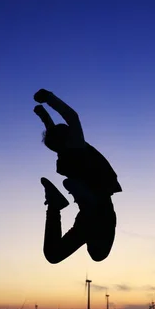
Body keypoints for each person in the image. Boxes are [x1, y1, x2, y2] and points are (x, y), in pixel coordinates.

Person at [33, 88, 122, 264]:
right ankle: (60, 202)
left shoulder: (65, 154)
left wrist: (43, 113)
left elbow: (52, 130)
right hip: (98, 210)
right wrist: (48, 98)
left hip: (88, 215)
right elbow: (71, 117)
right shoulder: (76, 146)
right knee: (97, 255)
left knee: (54, 254)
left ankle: (55, 204)